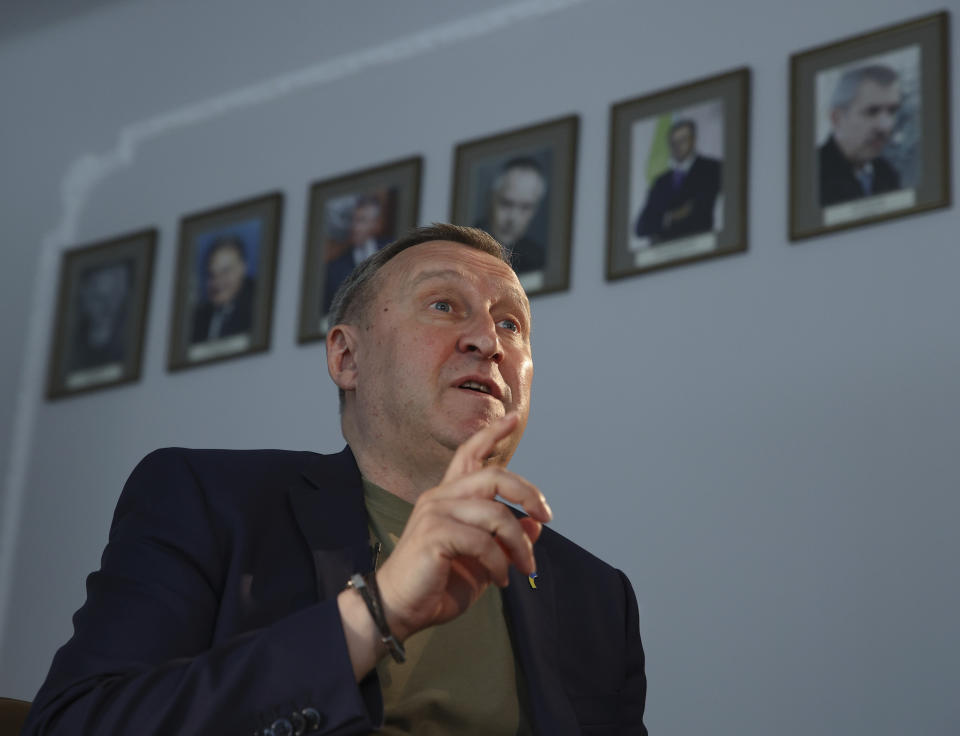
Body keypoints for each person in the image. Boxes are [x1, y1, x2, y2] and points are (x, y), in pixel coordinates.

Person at [25, 224, 647, 735]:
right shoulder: (207, 500)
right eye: (442, 305)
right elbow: (76, 723)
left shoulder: (596, 596)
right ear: (347, 357)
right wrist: (374, 614)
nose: (487, 339)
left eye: (511, 324)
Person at [819, 64, 903, 207]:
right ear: (836, 118)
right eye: (872, 112)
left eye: (892, 111)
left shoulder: (888, 174)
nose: (885, 125)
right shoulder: (811, 175)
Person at [634, 118, 722, 244]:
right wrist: (670, 217)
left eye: (682, 140)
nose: (677, 146)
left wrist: (662, 219)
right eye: (673, 143)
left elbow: (700, 213)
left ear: (693, 140)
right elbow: (641, 227)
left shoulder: (712, 169)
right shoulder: (661, 182)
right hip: (663, 251)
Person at [477, 157, 548, 275]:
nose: (513, 219)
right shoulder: (464, 247)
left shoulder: (537, 258)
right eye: (506, 204)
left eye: (525, 208)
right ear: (490, 199)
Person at [323, 195, 390, 314]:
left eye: (361, 220)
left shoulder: (393, 249)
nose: (355, 227)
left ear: (375, 224)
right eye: (352, 220)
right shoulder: (334, 268)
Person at [68, 260, 132, 372]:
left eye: (112, 298)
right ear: (84, 295)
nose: (106, 308)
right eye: (98, 298)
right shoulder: (73, 343)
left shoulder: (127, 337)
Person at [190, 236, 255, 343]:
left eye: (225, 271)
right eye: (212, 274)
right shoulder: (198, 317)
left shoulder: (258, 305)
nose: (217, 282)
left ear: (243, 268)